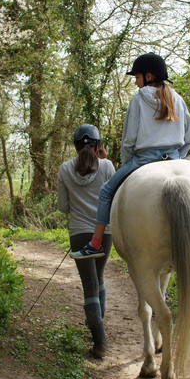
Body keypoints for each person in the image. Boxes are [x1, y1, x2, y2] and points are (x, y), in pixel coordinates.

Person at [71, 52, 190, 260]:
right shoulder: (178, 99)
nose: (136, 83)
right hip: (175, 158)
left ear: (148, 76)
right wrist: (177, 158)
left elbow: (128, 140)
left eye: (137, 77)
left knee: (106, 191)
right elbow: (188, 137)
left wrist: (128, 164)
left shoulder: (138, 99)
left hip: (143, 159)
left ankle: (96, 244)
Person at [58, 124, 115, 358]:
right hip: (105, 232)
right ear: (97, 145)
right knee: (98, 278)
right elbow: (115, 196)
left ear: (75, 146)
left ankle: (99, 341)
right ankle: (98, 327)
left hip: (79, 233)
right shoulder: (108, 166)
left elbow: (63, 207)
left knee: (89, 285)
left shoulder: (64, 169)